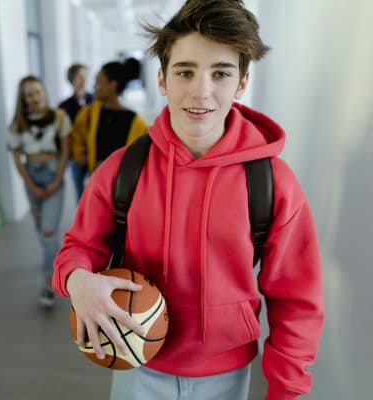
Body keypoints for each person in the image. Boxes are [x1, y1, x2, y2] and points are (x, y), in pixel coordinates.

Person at [53, 1, 324, 399]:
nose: (202, 91)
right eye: (185, 72)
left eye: (221, 73)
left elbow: (297, 299)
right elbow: (78, 248)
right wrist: (77, 280)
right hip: (133, 363)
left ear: (242, 83)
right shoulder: (121, 170)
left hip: (227, 376)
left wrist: (287, 390)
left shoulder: (271, 183)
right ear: (162, 80)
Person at [8, 76, 71, 307]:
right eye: (29, 95)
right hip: (31, 177)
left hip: (53, 173)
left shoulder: (59, 117)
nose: (34, 98)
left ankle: (49, 283)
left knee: (48, 231)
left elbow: (66, 151)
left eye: (37, 92)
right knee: (39, 227)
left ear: (44, 92)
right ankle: (50, 256)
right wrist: (31, 185)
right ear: (23, 99)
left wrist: (57, 181)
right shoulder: (18, 124)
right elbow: (17, 158)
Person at [71, 58, 149, 176]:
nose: (94, 87)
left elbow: (143, 154)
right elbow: (76, 135)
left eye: (98, 82)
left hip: (122, 184)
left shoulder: (135, 121)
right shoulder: (90, 113)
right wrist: (80, 155)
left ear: (113, 85)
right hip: (96, 178)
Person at [58, 64, 93, 202]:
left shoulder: (95, 100)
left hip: (93, 154)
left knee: (96, 190)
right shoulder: (64, 106)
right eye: (80, 76)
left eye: (85, 76)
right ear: (72, 79)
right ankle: (83, 222)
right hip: (76, 157)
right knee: (80, 193)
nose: (83, 80)